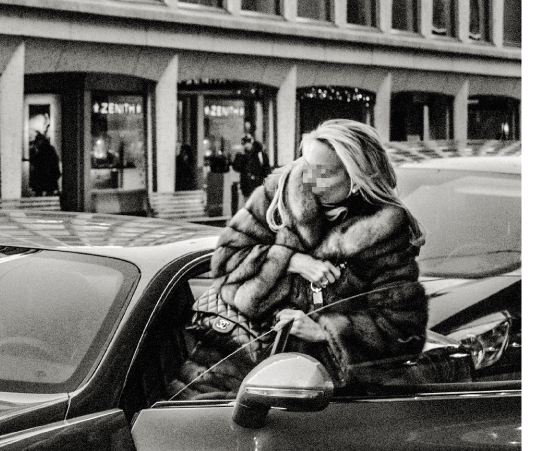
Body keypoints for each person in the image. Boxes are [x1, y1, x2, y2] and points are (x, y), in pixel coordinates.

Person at [170, 119, 428, 398]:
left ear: (356, 177)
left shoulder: (384, 233)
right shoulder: (278, 196)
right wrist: (290, 261)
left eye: (323, 172)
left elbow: (403, 329)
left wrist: (324, 331)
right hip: (226, 364)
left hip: (307, 390)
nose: (308, 178)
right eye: (306, 165)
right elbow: (226, 263)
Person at [232, 134, 271, 200]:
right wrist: (239, 157)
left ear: (252, 142)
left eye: (248, 142)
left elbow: (266, 170)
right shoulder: (242, 155)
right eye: (244, 143)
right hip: (246, 188)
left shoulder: (260, 155)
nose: (247, 145)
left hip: (259, 187)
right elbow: (236, 168)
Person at [29, 130, 61, 196]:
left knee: (41, 190)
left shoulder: (42, 150)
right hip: (49, 175)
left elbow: (35, 162)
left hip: (45, 174)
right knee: (49, 190)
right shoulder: (49, 149)